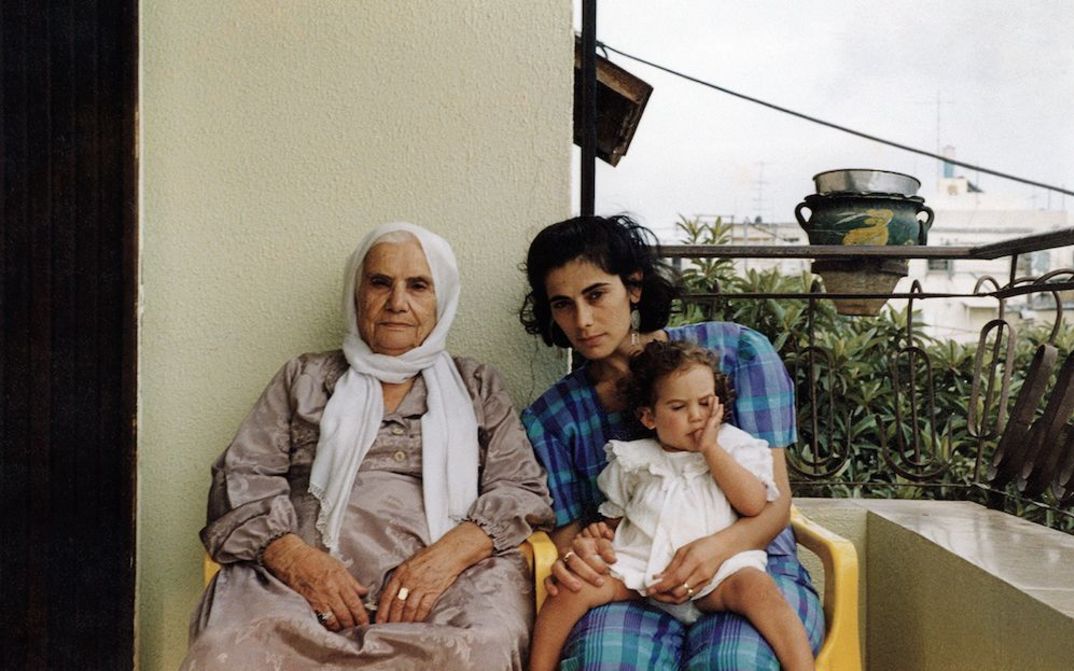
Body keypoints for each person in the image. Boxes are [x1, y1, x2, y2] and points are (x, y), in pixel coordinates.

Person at [182, 222, 554, 671]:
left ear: (442, 300)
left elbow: (520, 489)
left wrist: (443, 561)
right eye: (380, 283)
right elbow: (243, 475)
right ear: (356, 294)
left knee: (482, 645)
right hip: (299, 587)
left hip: (449, 583)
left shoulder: (476, 385)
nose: (397, 302)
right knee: (230, 645)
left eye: (418, 286)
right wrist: (295, 560)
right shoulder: (305, 378)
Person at [519, 214, 824, 670]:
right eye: (563, 304)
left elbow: (774, 503)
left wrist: (714, 549)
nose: (582, 321)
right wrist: (584, 548)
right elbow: (569, 534)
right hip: (635, 572)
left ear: (633, 286)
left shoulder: (736, 354)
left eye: (596, 295)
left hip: (747, 562)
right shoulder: (553, 419)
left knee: (737, 662)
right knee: (606, 660)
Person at [529, 340, 814, 671]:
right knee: (570, 591)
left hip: (720, 575)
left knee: (761, 591)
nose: (696, 416)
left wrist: (711, 450)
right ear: (649, 417)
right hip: (642, 574)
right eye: (678, 407)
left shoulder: (734, 447)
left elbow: (753, 504)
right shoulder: (633, 460)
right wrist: (599, 534)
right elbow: (615, 516)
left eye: (705, 403)